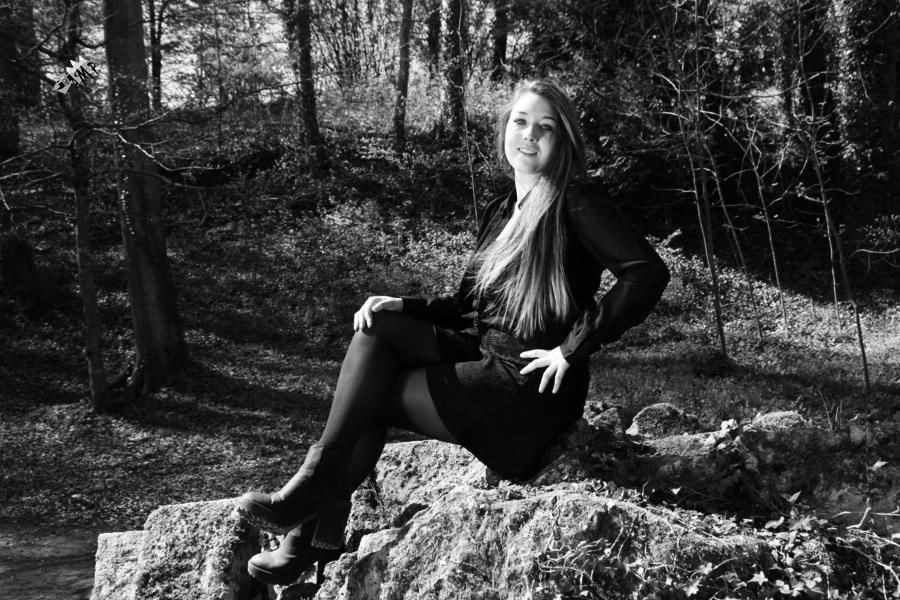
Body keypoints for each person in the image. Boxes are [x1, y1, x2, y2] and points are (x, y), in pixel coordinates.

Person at [237, 80, 670, 585]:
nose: (529, 135)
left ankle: (311, 524)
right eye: (520, 122)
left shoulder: (577, 200)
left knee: (367, 400)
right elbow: (468, 305)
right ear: (505, 129)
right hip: (486, 353)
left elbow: (645, 273)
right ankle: (314, 514)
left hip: (528, 385)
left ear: (564, 140)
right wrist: (403, 305)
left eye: (546, 128)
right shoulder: (502, 209)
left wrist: (572, 348)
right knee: (378, 327)